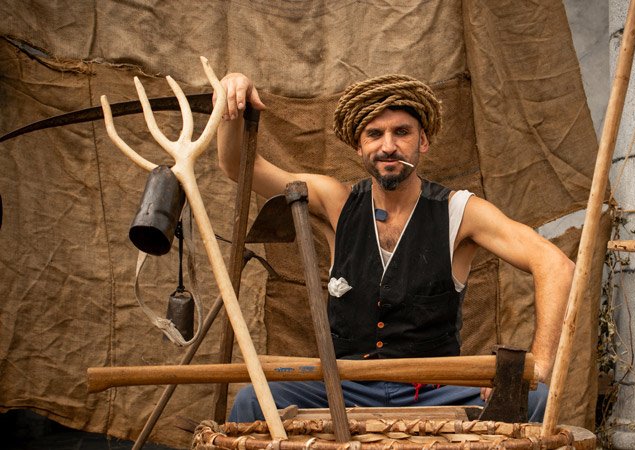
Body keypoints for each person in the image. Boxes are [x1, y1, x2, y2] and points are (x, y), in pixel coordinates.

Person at [215, 73, 574, 423]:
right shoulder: (335, 202)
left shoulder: (459, 211)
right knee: (253, 401)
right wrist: (232, 101)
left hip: (435, 388)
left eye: (401, 132)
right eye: (375, 134)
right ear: (359, 147)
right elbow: (240, 168)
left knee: (534, 399)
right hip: (346, 386)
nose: (388, 146)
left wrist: (538, 366)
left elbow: (555, 265)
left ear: (423, 142)